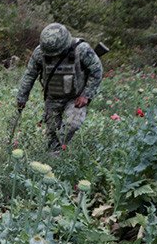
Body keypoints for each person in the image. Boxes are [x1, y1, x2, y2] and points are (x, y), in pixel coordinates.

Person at [16, 23, 103, 152]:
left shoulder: (81, 49)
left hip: (76, 97)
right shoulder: (40, 53)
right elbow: (30, 75)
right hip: (53, 97)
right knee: (52, 131)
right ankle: (53, 155)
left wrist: (86, 95)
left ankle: (58, 151)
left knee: (72, 124)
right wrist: (22, 97)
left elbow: (96, 71)